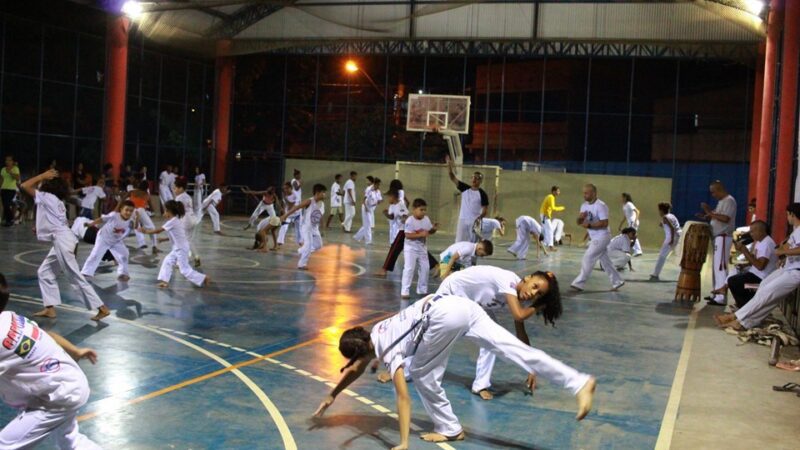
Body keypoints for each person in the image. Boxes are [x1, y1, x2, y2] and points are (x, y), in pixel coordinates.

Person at [313, 294, 596, 448]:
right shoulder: (376, 331)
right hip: (458, 304)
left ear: (361, 351)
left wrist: (402, 443)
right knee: (513, 349)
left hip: (442, 317)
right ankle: (579, 383)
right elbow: (358, 368)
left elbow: (403, 397)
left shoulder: (386, 349)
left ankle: (450, 428)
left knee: (422, 373)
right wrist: (332, 394)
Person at [0, 273, 102, 449]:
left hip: (55, 398)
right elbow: (46, 334)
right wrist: (76, 350)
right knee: (71, 442)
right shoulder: (9, 318)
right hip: (67, 383)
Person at [434, 266, 563, 400]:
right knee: (437, 334)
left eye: (538, 295)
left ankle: (480, 385)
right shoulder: (508, 281)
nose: (533, 293)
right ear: (527, 278)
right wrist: (538, 306)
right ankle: (409, 367)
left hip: (474, 304)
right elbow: (519, 316)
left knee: (491, 338)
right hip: (452, 291)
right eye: (534, 286)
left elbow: (521, 332)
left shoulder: (517, 298)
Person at [19, 169, 110, 321]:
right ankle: (50, 309)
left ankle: (102, 308)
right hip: (64, 238)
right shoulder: (57, 201)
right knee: (44, 272)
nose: (41, 184)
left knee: (74, 276)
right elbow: (54, 222)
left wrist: (41, 175)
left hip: (63, 241)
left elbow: (24, 186)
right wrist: (40, 228)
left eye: (44, 182)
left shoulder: (47, 197)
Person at [714, 203, 800, 330]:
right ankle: (743, 322)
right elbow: (785, 247)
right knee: (764, 290)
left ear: (793, 214)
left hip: (796, 272)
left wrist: (783, 252)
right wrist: (784, 252)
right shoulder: (795, 231)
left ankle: (736, 317)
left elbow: (789, 249)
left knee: (767, 292)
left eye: (787, 214)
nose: (787, 218)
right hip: (787, 268)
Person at [139, 200, 209, 289]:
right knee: (167, 261)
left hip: (181, 249)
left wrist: (146, 231)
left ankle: (204, 278)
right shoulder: (176, 221)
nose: (164, 213)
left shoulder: (172, 222)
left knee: (184, 270)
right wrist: (164, 239)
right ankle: (164, 281)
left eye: (165, 211)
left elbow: (158, 230)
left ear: (169, 212)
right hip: (178, 248)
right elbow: (176, 236)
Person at [571, 184, 625, 291]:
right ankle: (617, 281)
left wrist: (590, 225)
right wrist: (580, 219)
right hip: (594, 237)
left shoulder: (601, 206)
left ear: (594, 193)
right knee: (605, 261)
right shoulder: (584, 205)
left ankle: (578, 283)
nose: (584, 195)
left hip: (602, 236)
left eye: (587, 193)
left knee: (588, 257)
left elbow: (604, 223)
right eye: (584, 193)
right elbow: (579, 221)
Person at [720, 221, 777, 308]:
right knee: (736, 271)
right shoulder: (760, 242)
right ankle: (743, 305)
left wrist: (745, 251)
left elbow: (760, 266)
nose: (751, 234)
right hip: (755, 273)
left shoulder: (767, 244)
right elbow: (754, 260)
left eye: (753, 231)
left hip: (762, 277)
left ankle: (745, 307)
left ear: (761, 231)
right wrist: (745, 264)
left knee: (734, 281)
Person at [697, 181, 737, 305]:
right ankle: (716, 294)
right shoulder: (722, 202)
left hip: (723, 236)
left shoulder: (729, 201)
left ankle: (721, 298)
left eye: (714, 192)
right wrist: (706, 214)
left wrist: (709, 212)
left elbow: (725, 219)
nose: (713, 195)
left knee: (720, 267)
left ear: (720, 189)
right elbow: (716, 215)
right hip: (718, 237)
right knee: (716, 267)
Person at [80, 201, 135, 281]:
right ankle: (86, 273)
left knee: (124, 255)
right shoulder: (114, 215)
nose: (128, 212)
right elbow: (102, 219)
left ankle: (122, 274)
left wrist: (136, 220)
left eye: (131, 211)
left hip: (116, 241)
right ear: (121, 209)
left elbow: (134, 227)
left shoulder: (131, 220)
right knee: (95, 255)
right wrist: (90, 224)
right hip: (104, 238)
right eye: (126, 210)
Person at [280, 184, 326, 270]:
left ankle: (302, 250)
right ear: (317, 192)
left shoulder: (322, 204)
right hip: (306, 227)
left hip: (315, 229)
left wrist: (322, 227)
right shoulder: (309, 201)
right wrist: (285, 216)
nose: (325, 194)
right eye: (323, 192)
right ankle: (301, 264)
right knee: (308, 245)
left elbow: (320, 216)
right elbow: (296, 207)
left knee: (319, 245)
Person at [401, 198, 438, 299]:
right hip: (410, 248)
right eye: (421, 210)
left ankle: (422, 290)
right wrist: (421, 234)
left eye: (424, 210)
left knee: (425, 268)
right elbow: (408, 235)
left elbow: (429, 232)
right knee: (409, 268)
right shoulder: (410, 221)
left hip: (422, 248)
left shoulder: (426, 219)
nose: (423, 212)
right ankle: (405, 291)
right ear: (414, 209)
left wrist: (433, 229)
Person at [447, 159, 488, 243]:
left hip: (474, 221)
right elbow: (452, 177)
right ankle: (456, 256)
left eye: (477, 178)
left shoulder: (483, 194)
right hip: (462, 219)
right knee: (458, 241)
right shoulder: (465, 188)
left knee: (472, 243)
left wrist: (479, 218)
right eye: (473, 177)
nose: (474, 179)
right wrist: (449, 165)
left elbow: (485, 210)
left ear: (480, 181)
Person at [173, 178, 201, 267]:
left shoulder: (179, 198)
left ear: (181, 188)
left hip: (186, 220)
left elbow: (178, 212)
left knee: (181, 242)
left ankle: (180, 262)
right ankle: (196, 256)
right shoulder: (188, 196)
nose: (174, 190)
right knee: (188, 240)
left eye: (175, 188)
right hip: (193, 219)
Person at [650, 202, 681, 281]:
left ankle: (655, 274)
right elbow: (673, 226)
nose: (659, 212)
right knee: (679, 255)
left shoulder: (665, 217)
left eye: (659, 210)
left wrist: (671, 240)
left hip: (672, 237)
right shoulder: (672, 216)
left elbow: (672, 228)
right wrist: (662, 225)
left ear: (662, 210)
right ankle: (683, 273)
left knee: (662, 256)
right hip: (679, 235)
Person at [129, 180, 159, 255]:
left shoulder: (132, 192)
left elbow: (123, 199)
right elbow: (151, 205)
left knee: (137, 227)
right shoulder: (146, 194)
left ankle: (142, 243)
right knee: (151, 227)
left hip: (131, 210)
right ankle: (154, 246)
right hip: (140, 210)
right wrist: (153, 211)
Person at [353, 178, 382, 245]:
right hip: (366, 207)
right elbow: (363, 199)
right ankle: (368, 241)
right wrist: (365, 207)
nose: (379, 186)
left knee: (366, 224)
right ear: (375, 184)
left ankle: (357, 237)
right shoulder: (369, 189)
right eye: (378, 185)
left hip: (372, 208)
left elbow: (379, 200)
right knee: (368, 224)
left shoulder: (378, 191)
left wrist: (379, 201)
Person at [253, 187, 282, 252]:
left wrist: (261, 245)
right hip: (277, 219)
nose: (266, 239)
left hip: (274, 219)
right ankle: (276, 246)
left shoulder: (259, 230)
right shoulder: (259, 228)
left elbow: (264, 236)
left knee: (263, 232)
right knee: (273, 231)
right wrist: (281, 209)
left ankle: (265, 248)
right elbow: (277, 203)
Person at [540, 186, 565, 252]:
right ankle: (550, 246)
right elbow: (553, 208)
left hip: (544, 215)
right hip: (545, 215)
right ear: (554, 191)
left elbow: (549, 208)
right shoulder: (551, 197)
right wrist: (561, 208)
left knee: (547, 230)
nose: (559, 192)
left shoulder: (550, 197)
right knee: (550, 230)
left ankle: (544, 244)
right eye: (558, 191)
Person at [277, 182, 303, 247]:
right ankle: (280, 242)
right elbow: (285, 205)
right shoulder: (285, 195)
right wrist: (283, 211)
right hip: (288, 214)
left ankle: (300, 242)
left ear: (290, 188)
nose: (285, 190)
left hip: (297, 214)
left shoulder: (296, 195)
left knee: (299, 228)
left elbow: (292, 206)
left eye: (286, 188)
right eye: (284, 189)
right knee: (284, 227)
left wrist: (285, 199)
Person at [1, 156, 20, 227]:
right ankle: (8, 221)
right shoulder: (3, 169)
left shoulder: (15, 169)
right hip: (3, 189)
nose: (7, 162)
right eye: (6, 160)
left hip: (11, 189)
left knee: (7, 204)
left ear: (12, 161)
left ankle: (11, 219)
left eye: (9, 160)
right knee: (5, 205)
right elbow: (1, 179)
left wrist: (11, 172)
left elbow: (17, 178)